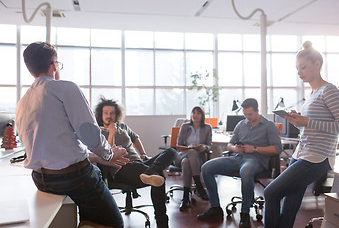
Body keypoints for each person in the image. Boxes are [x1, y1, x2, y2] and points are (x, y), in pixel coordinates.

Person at [15, 42, 129, 228]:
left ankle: (87, 222)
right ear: (54, 65)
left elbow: (53, 150)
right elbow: (89, 134)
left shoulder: (22, 102)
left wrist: (97, 158)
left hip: (41, 180)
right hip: (72, 179)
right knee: (115, 224)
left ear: (30, 70)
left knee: (96, 172)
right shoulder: (64, 88)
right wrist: (108, 154)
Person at [263, 41, 339, 228]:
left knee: (271, 193)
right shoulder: (312, 94)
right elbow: (313, 127)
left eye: (303, 67)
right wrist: (299, 122)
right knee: (290, 203)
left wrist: (308, 122)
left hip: (318, 157)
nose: (299, 72)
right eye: (297, 68)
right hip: (301, 153)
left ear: (317, 64)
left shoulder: (329, 90)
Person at [89, 96, 177, 228]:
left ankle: (150, 171)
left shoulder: (123, 126)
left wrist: (143, 154)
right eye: (106, 113)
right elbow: (107, 154)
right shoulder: (98, 131)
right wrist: (111, 134)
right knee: (158, 178)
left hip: (140, 164)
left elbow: (135, 138)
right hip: (121, 167)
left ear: (116, 114)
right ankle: (162, 223)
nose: (109, 116)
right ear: (100, 115)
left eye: (112, 113)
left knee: (171, 151)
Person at [197, 98, 282, 228]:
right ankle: (215, 208)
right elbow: (229, 144)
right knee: (206, 167)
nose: (247, 117)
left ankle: (245, 213)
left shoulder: (269, 126)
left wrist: (254, 149)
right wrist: (234, 148)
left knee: (246, 171)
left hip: (256, 160)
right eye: (245, 114)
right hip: (237, 158)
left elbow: (277, 148)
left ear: (257, 111)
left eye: (250, 114)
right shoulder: (241, 124)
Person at [174, 106, 212, 211]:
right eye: (193, 113)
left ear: (202, 116)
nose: (195, 115)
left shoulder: (207, 128)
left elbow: (209, 145)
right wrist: (189, 148)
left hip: (197, 157)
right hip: (181, 155)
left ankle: (185, 197)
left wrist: (204, 147)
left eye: (198, 113)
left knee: (186, 163)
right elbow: (178, 145)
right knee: (190, 152)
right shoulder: (185, 126)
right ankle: (199, 185)